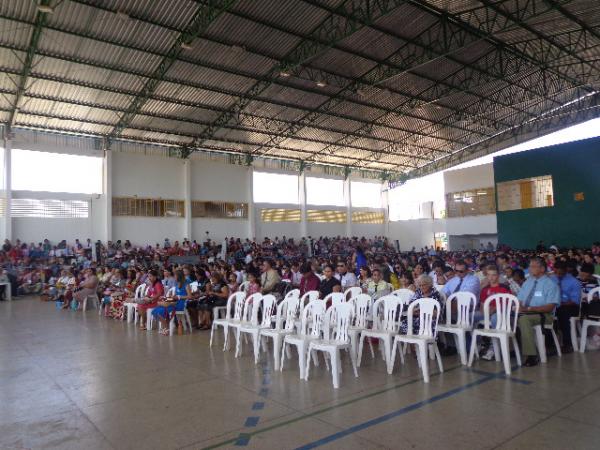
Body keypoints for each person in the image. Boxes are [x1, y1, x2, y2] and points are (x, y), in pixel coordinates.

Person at [517, 257, 560, 367]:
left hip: (544, 314)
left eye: (533, 267)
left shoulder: (550, 284)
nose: (530, 269)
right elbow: (520, 299)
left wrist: (529, 309)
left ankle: (531, 355)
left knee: (524, 319)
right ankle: (517, 348)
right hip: (526, 311)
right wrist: (519, 307)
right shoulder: (528, 282)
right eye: (530, 266)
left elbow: (550, 307)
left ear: (542, 269)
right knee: (505, 317)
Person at [478, 265, 512, 360]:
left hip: (501, 314)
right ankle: (477, 344)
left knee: (495, 317)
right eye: (489, 275)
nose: (491, 277)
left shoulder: (504, 288)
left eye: (494, 275)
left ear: (498, 276)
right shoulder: (485, 289)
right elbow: (482, 306)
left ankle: (494, 348)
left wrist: (494, 309)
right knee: (471, 316)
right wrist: (485, 311)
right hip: (487, 312)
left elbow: (507, 304)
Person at [553, 260, 582, 353]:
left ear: (566, 271)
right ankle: (550, 343)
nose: (558, 275)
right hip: (555, 305)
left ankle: (567, 344)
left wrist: (560, 303)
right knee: (544, 313)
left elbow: (574, 301)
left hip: (570, 306)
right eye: (556, 272)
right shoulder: (551, 278)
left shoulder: (574, 282)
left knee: (563, 313)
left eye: (560, 273)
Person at [152, 270, 191, 336]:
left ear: (179, 276)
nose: (174, 277)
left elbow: (190, 296)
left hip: (180, 302)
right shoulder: (176, 283)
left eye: (175, 275)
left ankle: (166, 328)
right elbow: (175, 295)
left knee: (162, 308)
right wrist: (170, 297)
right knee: (157, 309)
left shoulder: (186, 284)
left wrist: (178, 297)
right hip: (175, 300)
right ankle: (166, 326)